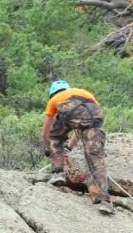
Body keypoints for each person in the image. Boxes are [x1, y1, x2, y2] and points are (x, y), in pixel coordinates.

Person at [41, 80, 115, 215]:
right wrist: (69, 147)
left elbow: (45, 134)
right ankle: (105, 201)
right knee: (95, 157)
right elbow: (82, 126)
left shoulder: (55, 100)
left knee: (55, 137)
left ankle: (58, 173)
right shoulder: (84, 93)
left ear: (52, 94)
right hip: (94, 114)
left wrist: (49, 149)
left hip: (70, 110)